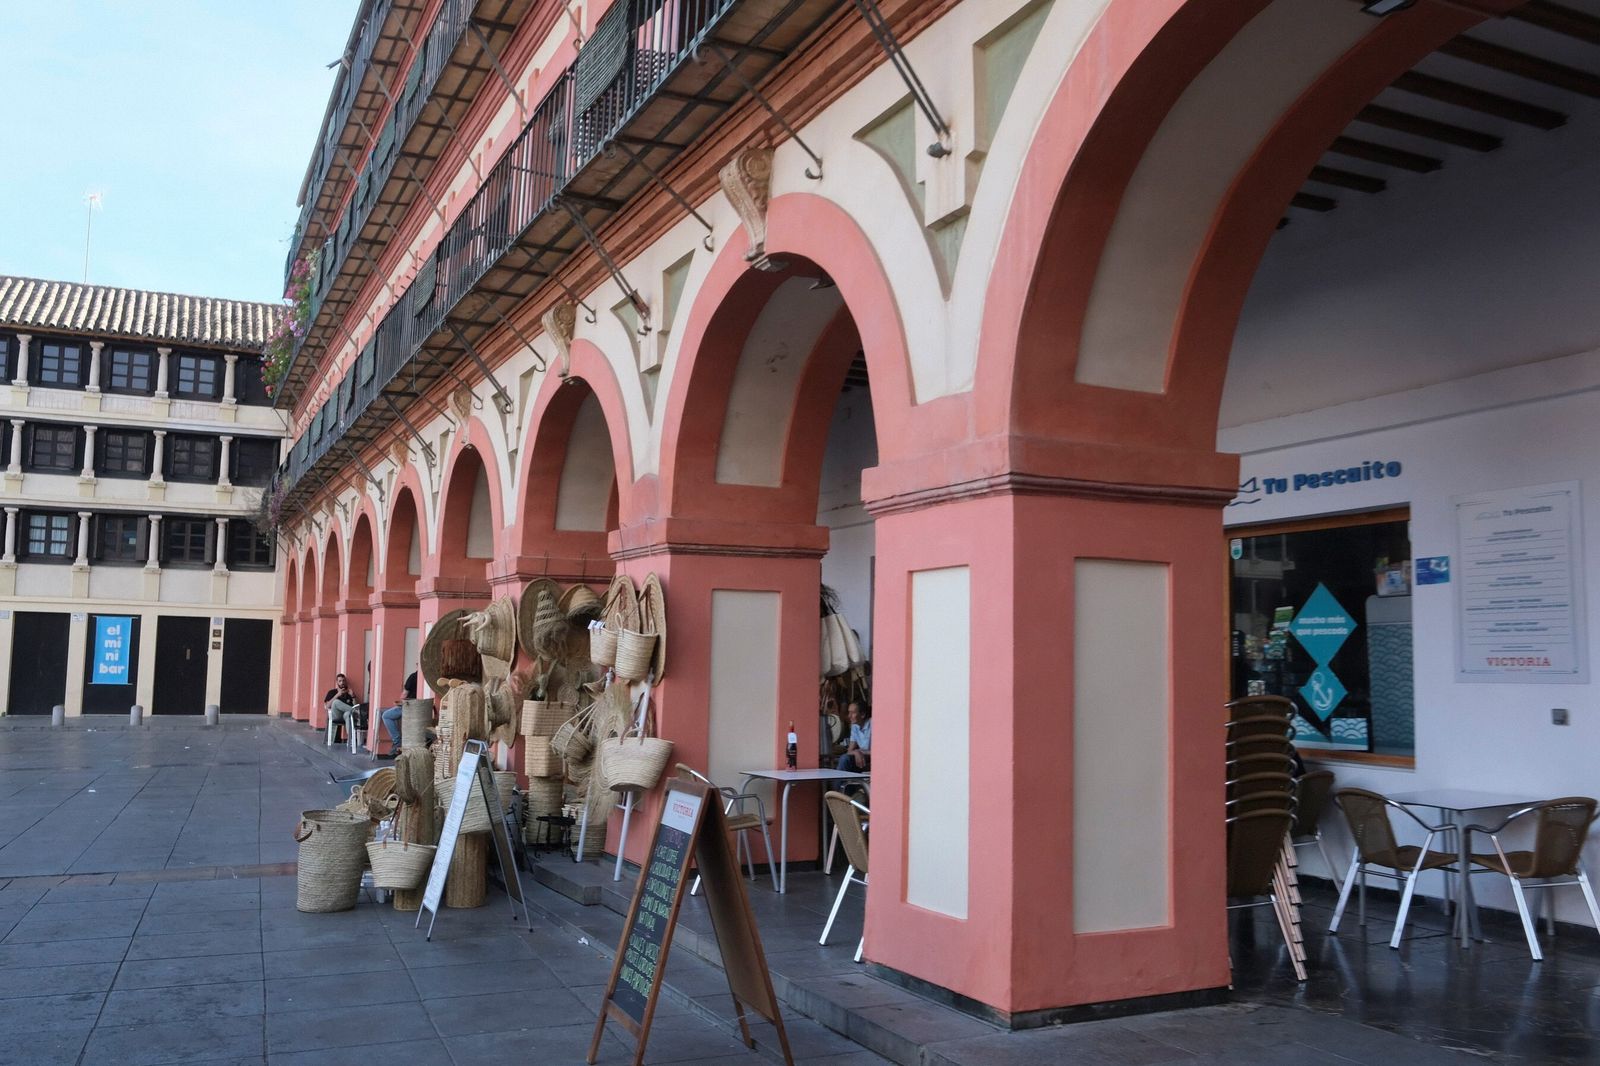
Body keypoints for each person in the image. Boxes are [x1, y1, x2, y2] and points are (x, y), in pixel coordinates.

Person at [378, 671, 419, 757]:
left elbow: (404, 695)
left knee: (386, 715)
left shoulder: (413, 676)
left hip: (409, 706)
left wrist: (400, 700)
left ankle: (397, 742)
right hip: (420, 709)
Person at [323, 673, 361, 744]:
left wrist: (353, 696)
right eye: (340, 681)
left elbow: (355, 705)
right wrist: (337, 695)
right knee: (336, 702)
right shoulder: (332, 692)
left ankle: (350, 740)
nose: (342, 683)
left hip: (345, 715)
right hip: (335, 715)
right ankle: (357, 713)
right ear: (337, 682)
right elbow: (327, 706)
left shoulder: (349, 692)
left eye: (343, 681)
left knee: (348, 714)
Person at [835, 700, 871, 774]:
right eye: (849, 712)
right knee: (844, 759)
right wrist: (856, 752)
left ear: (862, 714)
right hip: (862, 759)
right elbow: (849, 751)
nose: (849, 716)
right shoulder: (855, 726)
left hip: (873, 760)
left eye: (853, 713)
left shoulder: (873, 724)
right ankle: (843, 785)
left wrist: (859, 752)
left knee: (845, 760)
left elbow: (878, 753)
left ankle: (838, 785)